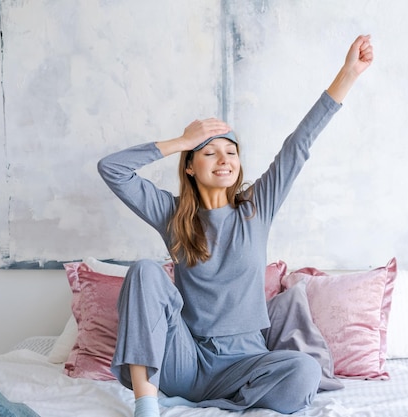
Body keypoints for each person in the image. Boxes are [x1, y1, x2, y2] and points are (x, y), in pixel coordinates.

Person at [97, 34, 373, 417]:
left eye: (231, 152)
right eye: (209, 152)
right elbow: (112, 169)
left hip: (245, 367)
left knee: (304, 371)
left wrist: (348, 74)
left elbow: (299, 144)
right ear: (191, 167)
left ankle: (216, 403)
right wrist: (181, 140)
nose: (224, 159)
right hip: (187, 361)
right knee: (144, 271)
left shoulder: (255, 208)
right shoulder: (172, 215)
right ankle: (147, 406)